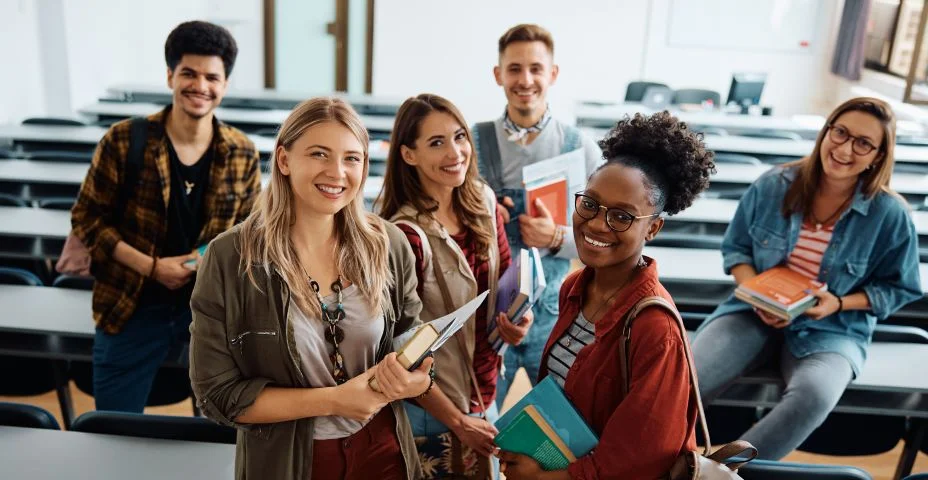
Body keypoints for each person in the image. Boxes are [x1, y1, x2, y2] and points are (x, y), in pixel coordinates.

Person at [189, 97, 433, 480]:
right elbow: (218, 396)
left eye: (352, 158)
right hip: (289, 463)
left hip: (384, 453)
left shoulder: (389, 244)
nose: (337, 172)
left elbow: (413, 344)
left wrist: (415, 379)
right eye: (319, 154)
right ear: (284, 160)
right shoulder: (231, 257)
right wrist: (335, 401)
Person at [691, 97, 922, 460]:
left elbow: (902, 287)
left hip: (835, 326)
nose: (845, 148)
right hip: (751, 313)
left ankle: (727, 471)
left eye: (863, 143)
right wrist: (756, 293)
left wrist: (840, 302)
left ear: (878, 155)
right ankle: (648, 459)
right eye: (840, 132)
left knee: (814, 394)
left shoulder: (890, 214)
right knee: (688, 380)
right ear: (826, 130)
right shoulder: (773, 184)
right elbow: (737, 250)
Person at [498, 111, 713, 479]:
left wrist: (541, 478)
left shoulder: (655, 330)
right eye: (590, 204)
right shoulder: (575, 288)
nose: (597, 223)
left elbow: (641, 460)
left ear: (654, 228)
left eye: (622, 216)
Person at [70, 20, 260, 412]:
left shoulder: (241, 151)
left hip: (211, 309)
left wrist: (197, 261)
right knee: (113, 424)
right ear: (170, 75)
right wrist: (152, 267)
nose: (200, 86)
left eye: (212, 77)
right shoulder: (124, 139)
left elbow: (247, 231)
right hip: (131, 303)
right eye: (189, 73)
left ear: (224, 84)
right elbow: (87, 218)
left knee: (224, 430)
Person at [379, 93, 532, 479]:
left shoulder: (483, 201)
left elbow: (506, 284)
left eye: (459, 136)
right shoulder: (404, 236)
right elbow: (400, 354)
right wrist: (458, 421)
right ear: (408, 155)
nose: (455, 152)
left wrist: (517, 320)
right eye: (436, 142)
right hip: (432, 408)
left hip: (485, 392)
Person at [473, 24, 602, 407]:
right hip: (488, 314)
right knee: (484, 419)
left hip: (555, 316)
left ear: (553, 74)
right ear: (498, 75)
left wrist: (557, 238)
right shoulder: (471, 142)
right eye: (514, 69)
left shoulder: (582, 149)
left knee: (559, 421)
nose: (525, 79)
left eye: (535, 68)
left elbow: (604, 241)